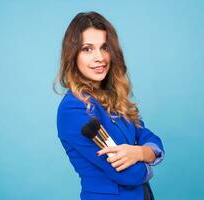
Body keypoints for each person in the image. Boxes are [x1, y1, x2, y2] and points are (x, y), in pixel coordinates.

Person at [54, 11, 164, 200]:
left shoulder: (115, 97)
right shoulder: (74, 108)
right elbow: (128, 173)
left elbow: (149, 137)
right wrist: (149, 161)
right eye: (87, 49)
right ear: (73, 55)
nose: (100, 58)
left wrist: (139, 152)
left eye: (104, 47)